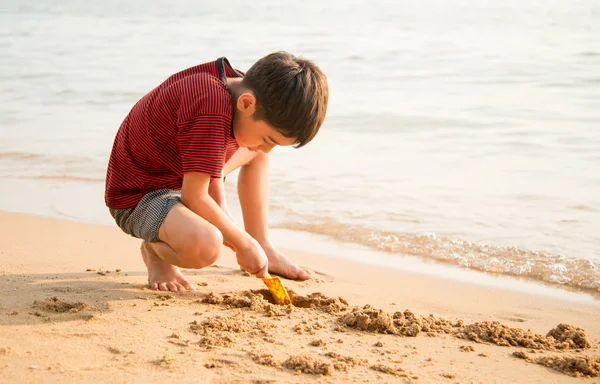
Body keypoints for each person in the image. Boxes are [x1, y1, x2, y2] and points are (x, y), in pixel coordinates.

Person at [104, 52, 329, 292]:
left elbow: (212, 181)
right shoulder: (210, 105)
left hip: (182, 176)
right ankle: (155, 249)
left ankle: (263, 243)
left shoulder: (243, 90)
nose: (268, 148)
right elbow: (196, 196)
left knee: (257, 153)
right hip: (139, 195)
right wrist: (242, 243)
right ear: (246, 103)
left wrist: (250, 243)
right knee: (206, 244)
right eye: (268, 139)